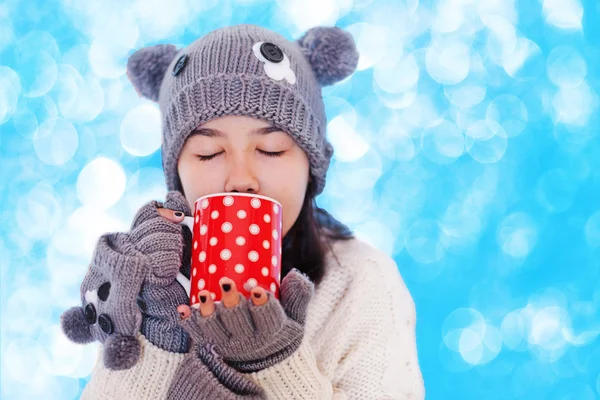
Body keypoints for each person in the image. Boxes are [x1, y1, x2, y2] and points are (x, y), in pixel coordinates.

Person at [61, 24, 425, 399]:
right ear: (177, 174)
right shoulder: (148, 279)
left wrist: (273, 362)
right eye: (208, 153)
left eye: (271, 149)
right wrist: (158, 330)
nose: (241, 179)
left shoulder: (363, 284)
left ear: (313, 165)